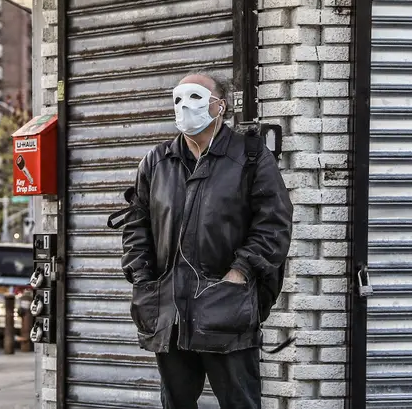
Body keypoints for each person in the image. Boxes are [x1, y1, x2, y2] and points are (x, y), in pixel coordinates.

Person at [120, 71, 293, 409]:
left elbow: (274, 224)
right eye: (178, 99)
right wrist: (143, 278)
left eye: (196, 97)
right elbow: (136, 226)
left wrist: (240, 273)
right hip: (170, 313)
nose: (185, 106)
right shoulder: (157, 162)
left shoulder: (251, 157)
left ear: (221, 106)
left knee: (240, 403)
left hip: (226, 308)